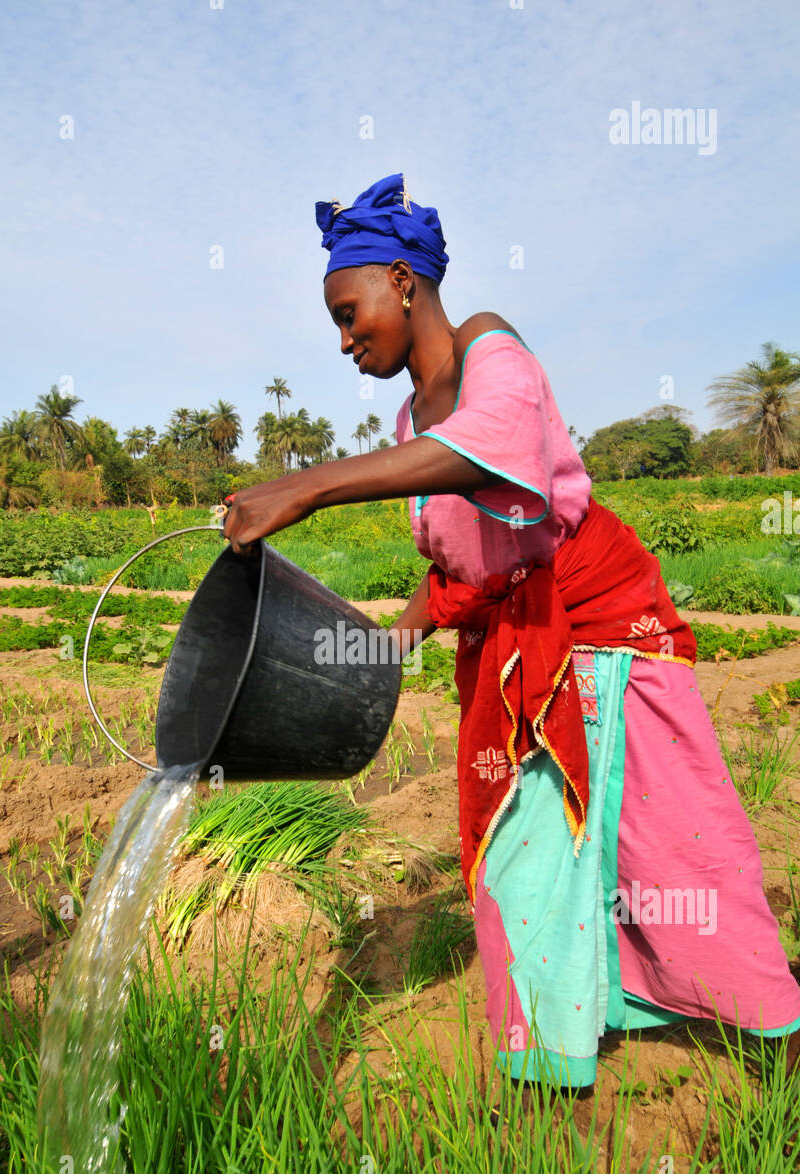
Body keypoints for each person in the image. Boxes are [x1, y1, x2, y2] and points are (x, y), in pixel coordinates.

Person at [221, 172, 800, 1088]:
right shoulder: (414, 416)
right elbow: (462, 562)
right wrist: (388, 644)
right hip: (511, 644)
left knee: (665, 844)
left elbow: (489, 452)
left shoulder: (492, 347)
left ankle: (769, 1027)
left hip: (599, 628)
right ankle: (555, 1057)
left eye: (348, 310)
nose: (342, 340)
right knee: (528, 847)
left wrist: (304, 484)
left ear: (404, 282)